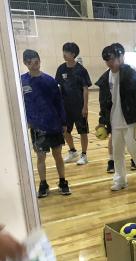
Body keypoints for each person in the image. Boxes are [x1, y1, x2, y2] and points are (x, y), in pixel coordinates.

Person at [96, 43, 136, 191]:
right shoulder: (105, 79)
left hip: (131, 121)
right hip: (114, 123)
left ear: (120, 57)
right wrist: (102, 122)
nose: (110, 63)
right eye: (107, 60)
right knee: (117, 153)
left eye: (112, 59)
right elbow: (104, 103)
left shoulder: (130, 74)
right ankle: (120, 180)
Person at [21, 49, 71, 197]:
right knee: (41, 156)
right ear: (25, 63)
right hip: (37, 127)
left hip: (54, 124)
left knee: (57, 154)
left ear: (39, 61)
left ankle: (62, 181)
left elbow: (59, 103)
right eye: (30, 61)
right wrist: (26, 121)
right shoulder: (22, 81)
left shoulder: (50, 81)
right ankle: (43, 184)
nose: (34, 63)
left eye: (36, 60)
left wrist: (63, 122)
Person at [56, 42, 92, 165]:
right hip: (66, 107)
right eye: (63, 51)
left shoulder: (81, 70)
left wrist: (85, 107)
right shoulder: (61, 69)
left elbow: (85, 89)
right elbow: (58, 86)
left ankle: (84, 155)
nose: (64, 54)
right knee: (65, 130)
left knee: (83, 132)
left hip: (79, 107)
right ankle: (72, 151)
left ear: (73, 54)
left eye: (67, 52)